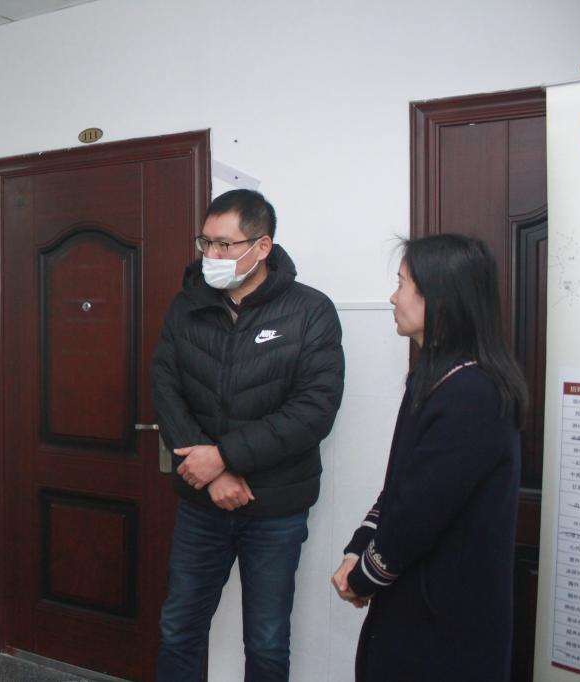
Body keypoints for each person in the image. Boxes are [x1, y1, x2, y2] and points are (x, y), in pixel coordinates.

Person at [151, 189, 345, 681]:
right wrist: (212, 474)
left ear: (262, 246)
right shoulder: (187, 306)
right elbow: (165, 389)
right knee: (179, 629)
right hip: (201, 502)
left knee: (266, 642)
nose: (212, 255)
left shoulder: (311, 310)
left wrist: (225, 457)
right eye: (206, 243)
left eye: (225, 244)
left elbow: (314, 410)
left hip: (275, 507)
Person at [331, 234, 526, 681]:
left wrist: (364, 576)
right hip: (416, 599)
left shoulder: (473, 392)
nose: (393, 298)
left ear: (440, 296)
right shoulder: (434, 377)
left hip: (447, 616)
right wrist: (359, 548)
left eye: (402, 284)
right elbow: (400, 486)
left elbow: (419, 511)